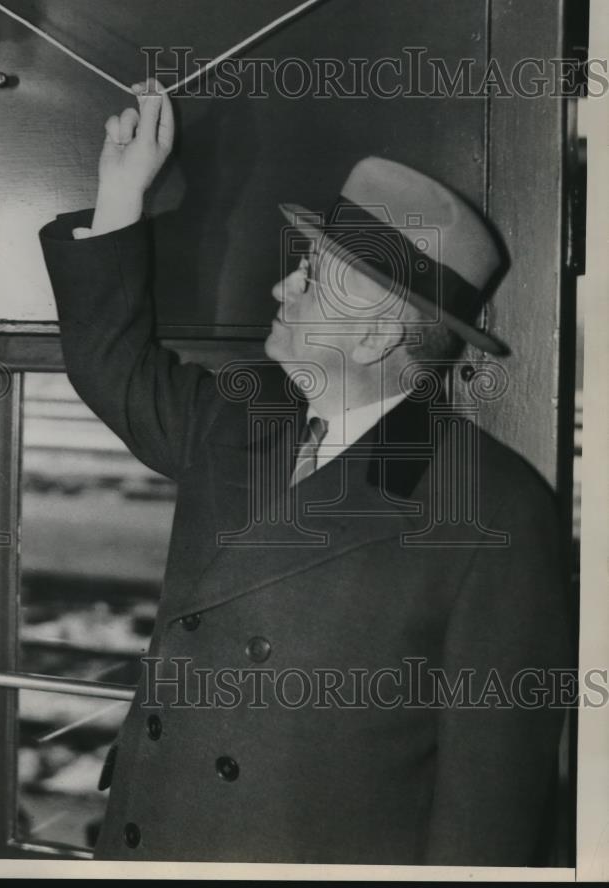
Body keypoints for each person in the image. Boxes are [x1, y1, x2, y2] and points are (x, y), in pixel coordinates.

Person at [39, 80, 571, 866]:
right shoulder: (243, 418)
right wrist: (121, 191)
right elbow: (112, 363)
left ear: (376, 336)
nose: (282, 286)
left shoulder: (495, 512)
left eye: (314, 277)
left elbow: (485, 818)